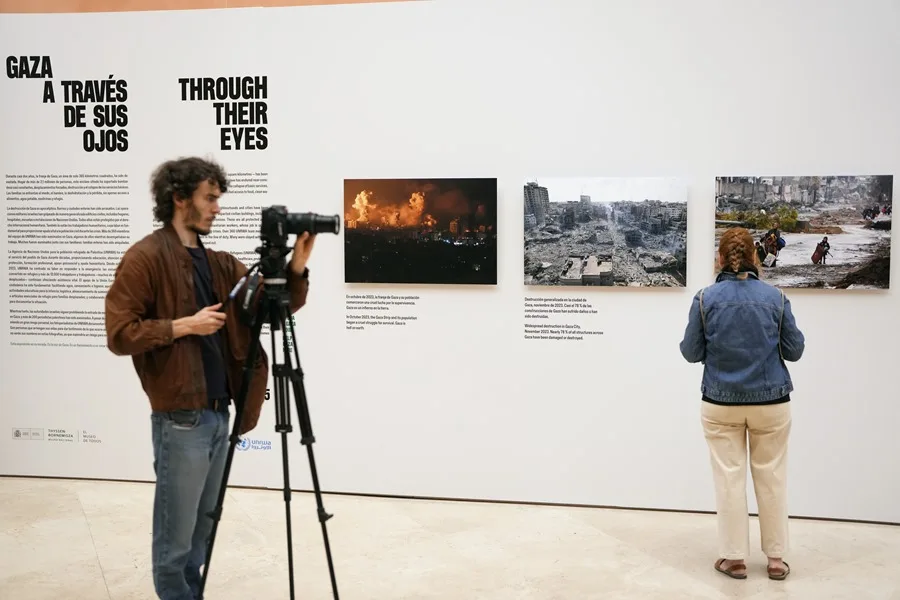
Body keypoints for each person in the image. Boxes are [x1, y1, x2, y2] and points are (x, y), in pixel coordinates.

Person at [104, 157, 316, 600]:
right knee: (176, 538)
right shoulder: (145, 257)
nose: (218, 208)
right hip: (180, 418)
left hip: (221, 414)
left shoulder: (219, 263)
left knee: (202, 532)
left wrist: (297, 264)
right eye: (210, 198)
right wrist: (183, 325)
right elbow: (120, 334)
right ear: (180, 199)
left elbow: (270, 310)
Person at [678, 227, 805, 582]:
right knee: (772, 477)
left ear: (720, 258)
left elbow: (691, 352)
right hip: (772, 401)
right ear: (755, 257)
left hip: (720, 401)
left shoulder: (704, 299)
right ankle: (776, 559)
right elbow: (794, 350)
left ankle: (734, 559)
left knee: (729, 480)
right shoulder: (776, 298)